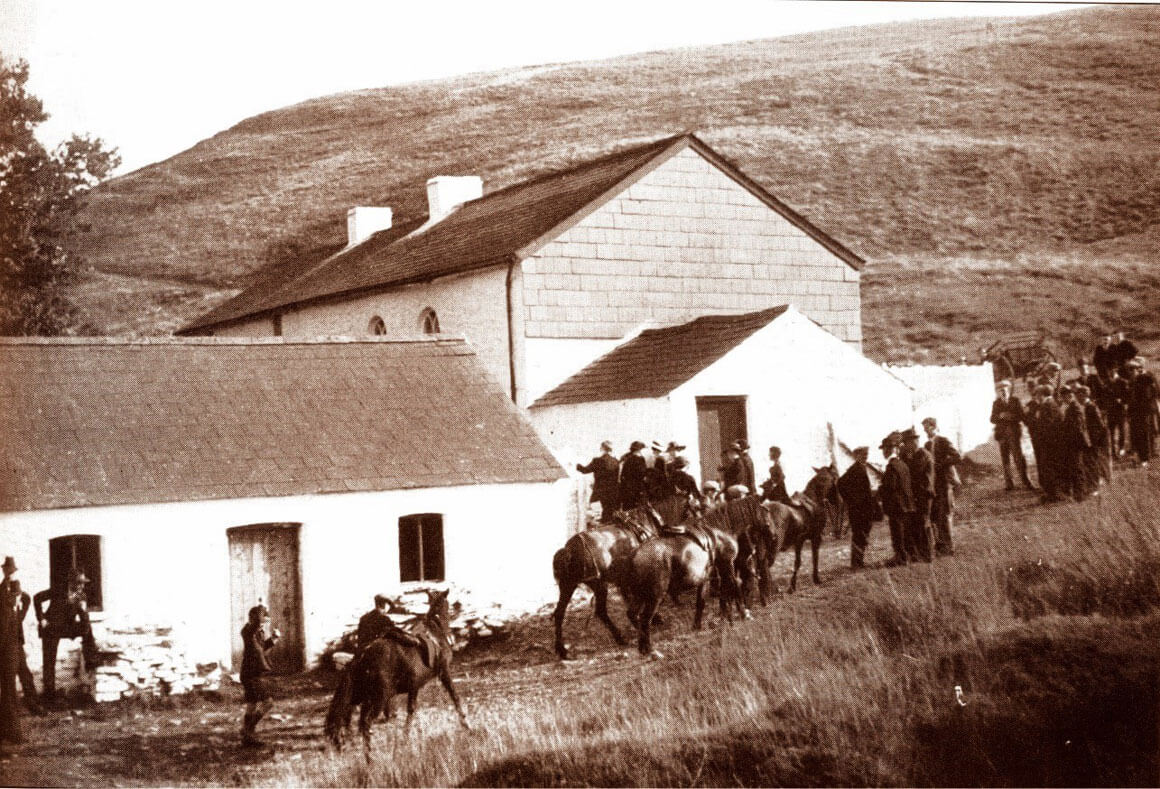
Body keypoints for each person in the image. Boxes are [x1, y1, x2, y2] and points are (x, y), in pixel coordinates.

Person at [33, 568, 100, 701]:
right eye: (79, 583)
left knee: (87, 628)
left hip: (66, 627)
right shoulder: (58, 590)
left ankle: (90, 659)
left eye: (83, 583)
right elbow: (37, 598)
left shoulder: (81, 596)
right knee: (49, 661)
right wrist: (41, 618)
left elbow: (84, 620)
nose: (81, 586)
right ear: (71, 582)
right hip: (51, 628)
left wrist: (83, 612)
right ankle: (49, 694)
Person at [0, 558, 40, 715]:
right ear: (4, 571)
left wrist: (20, 616)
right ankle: (11, 711)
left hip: (17, 640)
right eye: (7, 570)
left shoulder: (16, 585)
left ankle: (33, 705)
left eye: (12, 570)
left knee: (25, 674)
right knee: (9, 677)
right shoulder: (2, 590)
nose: (10, 573)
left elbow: (27, 599)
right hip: (7, 641)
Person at [240, 604, 280, 748]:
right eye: (263, 622)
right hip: (251, 675)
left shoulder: (259, 633)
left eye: (265, 623)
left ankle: (247, 736)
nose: (263, 625)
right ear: (254, 619)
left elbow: (261, 649)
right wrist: (262, 609)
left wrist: (274, 639)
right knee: (268, 703)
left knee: (251, 704)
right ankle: (248, 731)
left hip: (252, 673)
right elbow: (257, 621)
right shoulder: (247, 631)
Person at [922, 418, 962, 557]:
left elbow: (957, 457)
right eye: (924, 428)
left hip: (944, 483)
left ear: (934, 427)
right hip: (933, 485)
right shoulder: (927, 445)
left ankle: (949, 547)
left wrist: (941, 464)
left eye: (927, 427)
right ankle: (940, 546)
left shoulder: (943, 441)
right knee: (935, 516)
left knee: (944, 514)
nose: (926, 430)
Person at [878, 432, 914, 567]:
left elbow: (890, 487)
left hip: (896, 506)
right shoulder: (903, 464)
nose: (883, 452)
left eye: (884, 449)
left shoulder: (891, 466)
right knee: (905, 533)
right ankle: (906, 556)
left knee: (897, 533)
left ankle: (900, 558)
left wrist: (880, 490)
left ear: (889, 450)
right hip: (907, 504)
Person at [990, 381, 1034, 491]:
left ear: (1008, 389)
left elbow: (1021, 415)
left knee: (1019, 458)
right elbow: (992, 419)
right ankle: (1009, 483)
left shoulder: (1015, 400)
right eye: (1000, 391)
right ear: (998, 392)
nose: (1003, 392)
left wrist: (1011, 416)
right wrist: (1000, 416)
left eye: (1004, 390)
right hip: (1001, 435)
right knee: (1005, 459)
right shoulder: (996, 403)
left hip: (1013, 434)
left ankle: (1026, 481)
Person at [899, 428, 934, 562]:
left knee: (923, 524)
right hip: (915, 495)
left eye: (908, 442)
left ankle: (927, 554)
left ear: (914, 441)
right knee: (916, 525)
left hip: (924, 494)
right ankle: (918, 554)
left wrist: (906, 458)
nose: (907, 445)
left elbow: (915, 472)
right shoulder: (910, 455)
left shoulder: (922, 454)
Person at [838, 447, 876, 569]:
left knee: (862, 534)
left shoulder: (861, 468)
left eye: (866, 454)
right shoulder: (854, 469)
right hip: (858, 509)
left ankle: (858, 561)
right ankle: (856, 563)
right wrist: (851, 500)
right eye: (863, 454)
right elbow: (840, 483)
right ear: (856, 456)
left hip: (863, 509)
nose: (865, 456)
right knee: (859, 534)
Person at [1026, 385, 1065, 503]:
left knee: (1051, 467)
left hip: (1050, 442)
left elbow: (1048, 425)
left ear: (1043, 394)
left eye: (1038, 394)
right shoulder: (1047, 404)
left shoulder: (1049, 405)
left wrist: (1038, 428)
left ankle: (1055, 494)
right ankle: (1052, 493)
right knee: (1048, 467)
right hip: (1048, 442)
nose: (1037, 396)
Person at [1, 559, 22, 748]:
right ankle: (10, 732)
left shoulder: (12, 591)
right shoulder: (4, 591)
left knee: (9, 690)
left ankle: (11, 732)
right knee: (8, 690)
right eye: (10, 571)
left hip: (11, 647)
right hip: (6, 647)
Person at [1058, 386, 1092, 502]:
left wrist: (1065, 433)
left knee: (1077, 468)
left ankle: (1081, 494)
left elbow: (1077, 428)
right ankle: (1077, 493)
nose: (1063, 399)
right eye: (1062, 397)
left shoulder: (1074, 407)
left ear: (1069, 396)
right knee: (1073, 468)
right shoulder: (1069, 407)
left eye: (1064, 396)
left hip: (1075, 443)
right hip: (1071, 443)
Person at [576, 441, 620, 522]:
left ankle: (604, 521)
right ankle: (607, 521)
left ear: (602, 448)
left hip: (601, 489)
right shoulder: (616, 461)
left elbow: (585, 470)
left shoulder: (597, 461)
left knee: (596, 505)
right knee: (608, 508)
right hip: (613, 489)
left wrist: (577, 466)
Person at [1076, 385, 1111, 487]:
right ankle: (1099, 478)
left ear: (1085, 395)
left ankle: (1102, 478)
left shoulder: (1091, 407)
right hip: (1090, 437)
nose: (1078, 398)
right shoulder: (1085, 406)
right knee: (1093, 459)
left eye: (1080, 395)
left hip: (1095, 438)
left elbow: (1100, 424)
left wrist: (1098, 438)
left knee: (1097, 459)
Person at [1126, 358, 1158, 467]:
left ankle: (1145, 458)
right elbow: (1130, 399)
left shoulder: (1144, 379)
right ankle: (1139, 457)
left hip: (1144, 412)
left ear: (1138, 370)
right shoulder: (1132, 382)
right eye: (1130, 370)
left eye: (1133, 370)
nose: (1131, 372)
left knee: (1144, 435)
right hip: (1134, 413)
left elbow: (1152, 383)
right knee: (1135, 435)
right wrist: (1129, 413)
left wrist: (1143, 371)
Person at [1104, 369, 1130, 458]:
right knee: (1111, 432)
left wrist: (1121, 400)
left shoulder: (1123, 382)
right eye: (1109, 371)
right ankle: (1113, 451)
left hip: (1120, 410)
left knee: (1121, 431)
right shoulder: (1106, 383)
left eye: (1112, 370)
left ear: (1115, 371)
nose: (1110, 372)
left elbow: (1127, 396)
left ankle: (1121, 449)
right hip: (1110, 411)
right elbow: (1103, 396)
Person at [618, 441, 648, 508]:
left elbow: (622, 474)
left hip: (626, 487)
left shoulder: (626, 458)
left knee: (628, 507)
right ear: (639, 450)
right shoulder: (640, 459)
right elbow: (642, 474)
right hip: (637, 488)